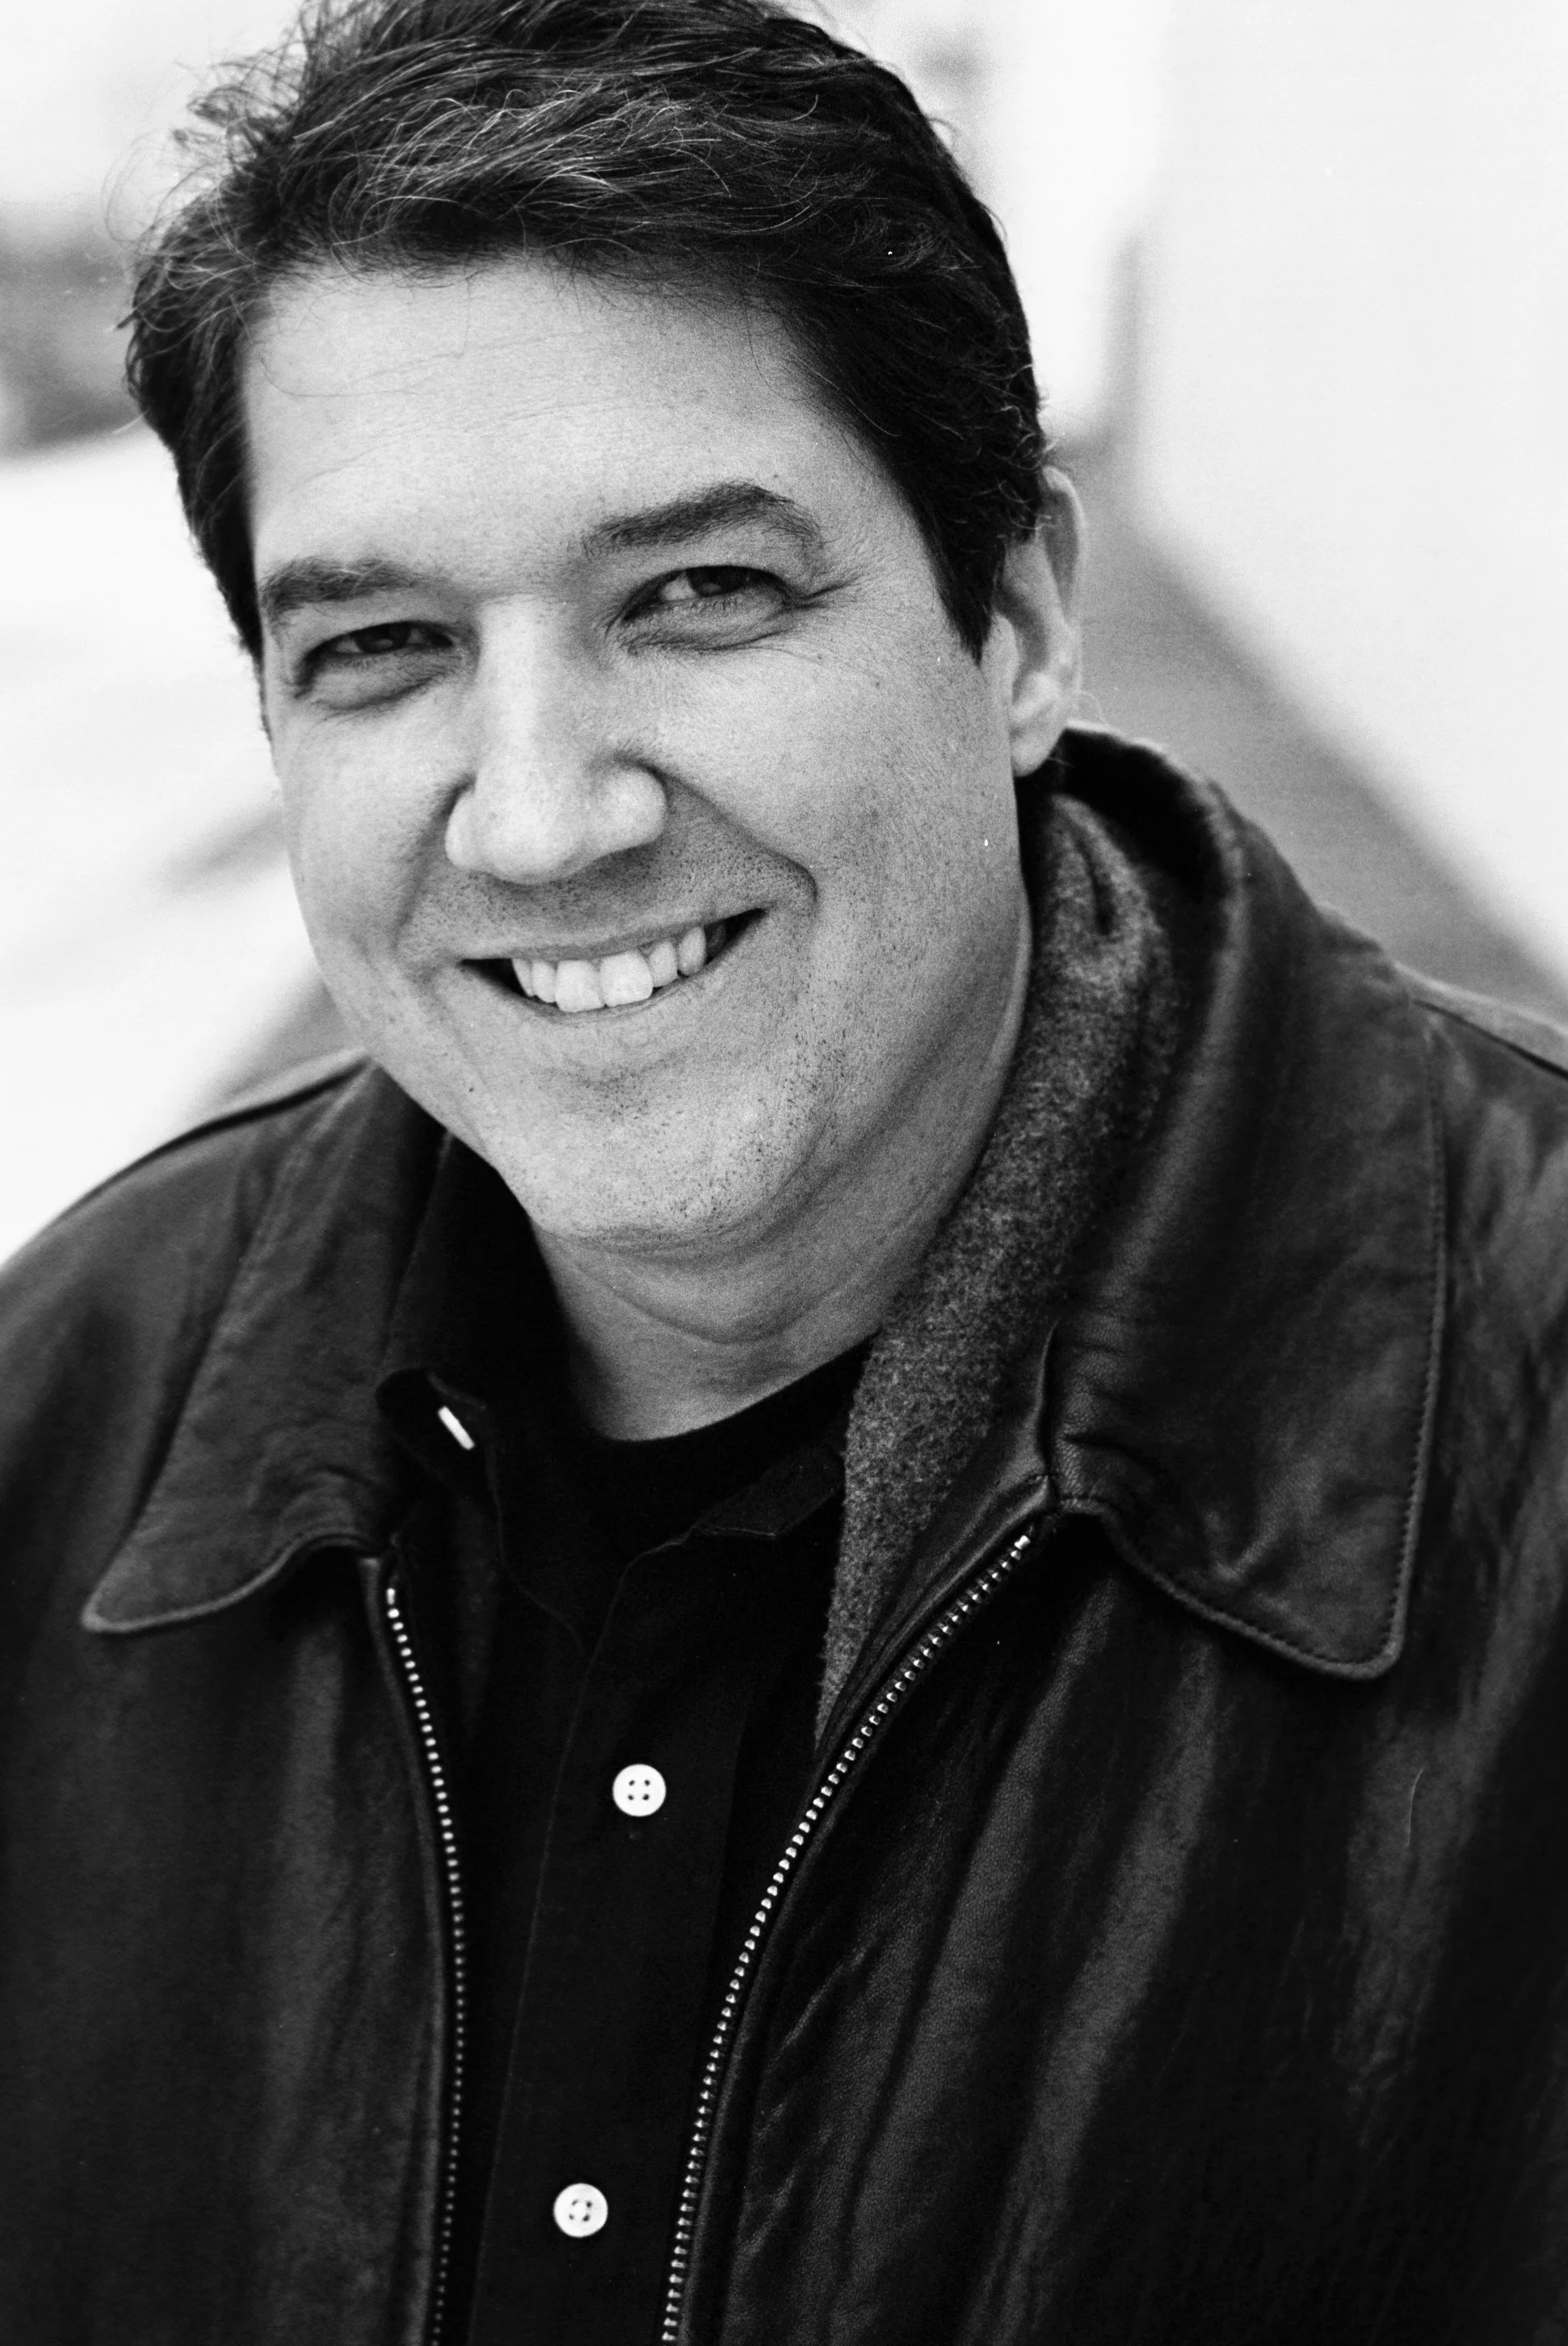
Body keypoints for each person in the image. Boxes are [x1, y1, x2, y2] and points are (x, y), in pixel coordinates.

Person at [3, 0, 1568, 2338]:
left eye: (698, 595)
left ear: (1017, 619)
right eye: (386, 645)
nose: (538, 815)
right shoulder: (66, 1414)